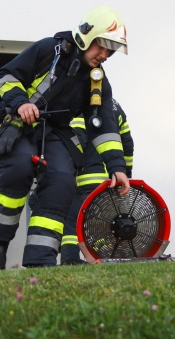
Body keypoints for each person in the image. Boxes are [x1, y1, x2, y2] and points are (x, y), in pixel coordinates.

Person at [0, 5, 131, 269]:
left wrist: (118, 168)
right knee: (17, 170)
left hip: (57, 134)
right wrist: (20, 103)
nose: (105, 55)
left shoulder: (97, 80)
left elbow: (103, 125)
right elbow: (5, 75)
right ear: (87, 36)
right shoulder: (47, 49)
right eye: (102, 46)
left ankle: (40, 261)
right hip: (23, 125)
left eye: (111, 50)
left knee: (62, 182)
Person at [61, 98, 134, 265]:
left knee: (73, 223)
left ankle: (70, 259)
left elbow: (76, 139)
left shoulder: (80, 104)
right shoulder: (115, 106)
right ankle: (106, 258)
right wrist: (125, 175)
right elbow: (128, 144)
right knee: (106, 223)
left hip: (84, 181)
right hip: (112, 182)